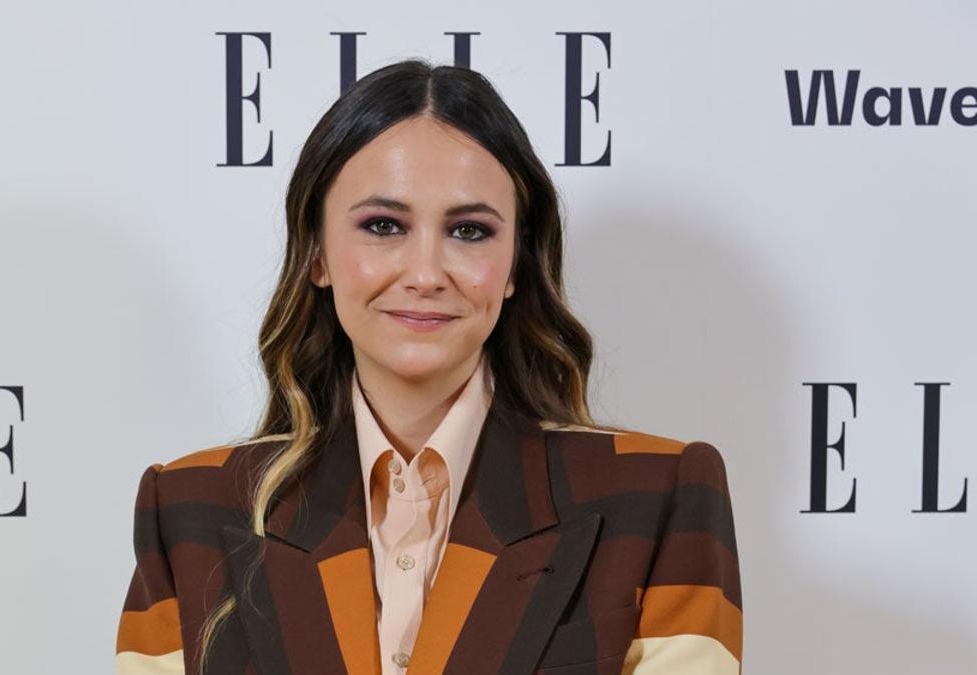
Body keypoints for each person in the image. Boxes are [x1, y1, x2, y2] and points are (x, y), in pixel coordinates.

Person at [114, 58, 742, 675]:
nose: (424, 274)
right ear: (317, 254)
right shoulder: (190, 509)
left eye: (469, 231)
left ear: (518, 264)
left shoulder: (660, 499)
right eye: (383, 225)